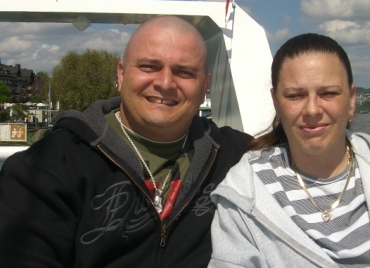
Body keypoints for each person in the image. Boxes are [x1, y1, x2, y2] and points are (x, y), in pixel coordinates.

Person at [0, 16, 251, 267]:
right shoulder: (49, 166)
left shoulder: (238, 155)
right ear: (121, 75)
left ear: (205, 85)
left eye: (184, 72)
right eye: (149, 67)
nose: (165, 83)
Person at [208, 33, 370, 268]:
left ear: (352, 99)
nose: (312, 109)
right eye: (295, 95)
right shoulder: (244, 191)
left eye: (329, 93)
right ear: (276, 103)